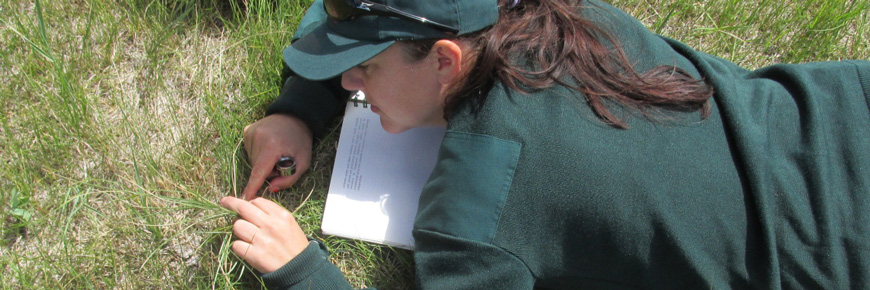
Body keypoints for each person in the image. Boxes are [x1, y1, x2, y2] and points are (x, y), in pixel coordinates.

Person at [220, 0, 870, 288]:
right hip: (842, 109)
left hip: (836, 254)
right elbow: (347, 11)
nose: (349, 83)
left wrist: (299, 269)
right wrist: (298, 114)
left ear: (445, 61)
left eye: (368, 68)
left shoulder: (476, 213)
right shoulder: (548, 12)